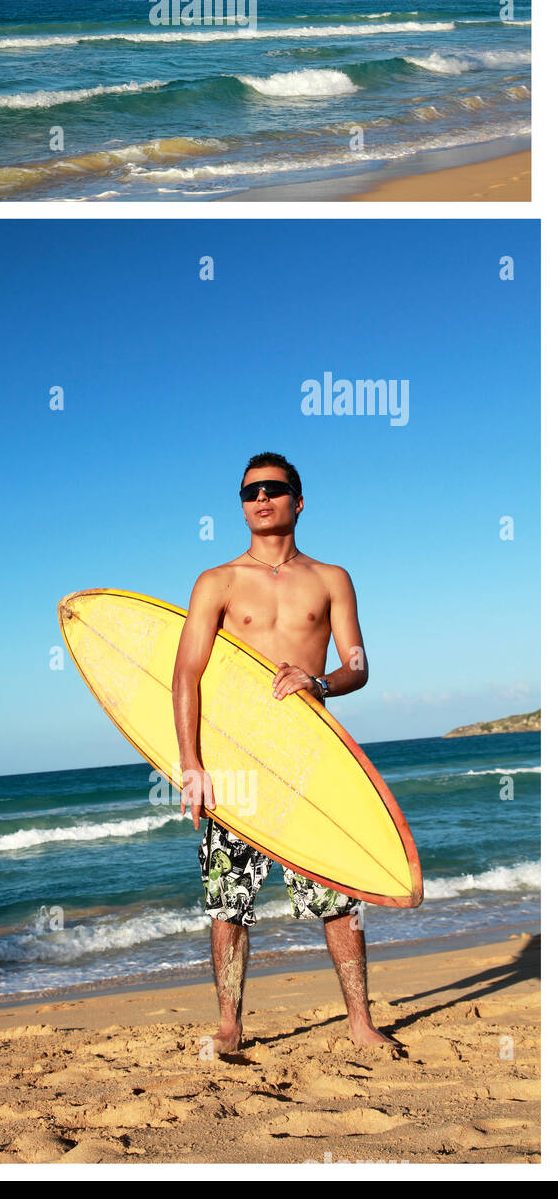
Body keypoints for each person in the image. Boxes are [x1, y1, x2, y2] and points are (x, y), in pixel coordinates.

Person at [172, 451, 399, 1054]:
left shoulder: (331, 579)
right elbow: (186, 675)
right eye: (250, 492)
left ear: (299, 500)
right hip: (236, 760)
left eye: (274, 489)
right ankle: (230, 1025)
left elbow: (357, 665)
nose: (261, 498)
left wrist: (319, 682)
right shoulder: (216, 582)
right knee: (228, 900)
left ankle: (359, 1022)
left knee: (336, 894)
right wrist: (191, 764)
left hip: (309, 755)